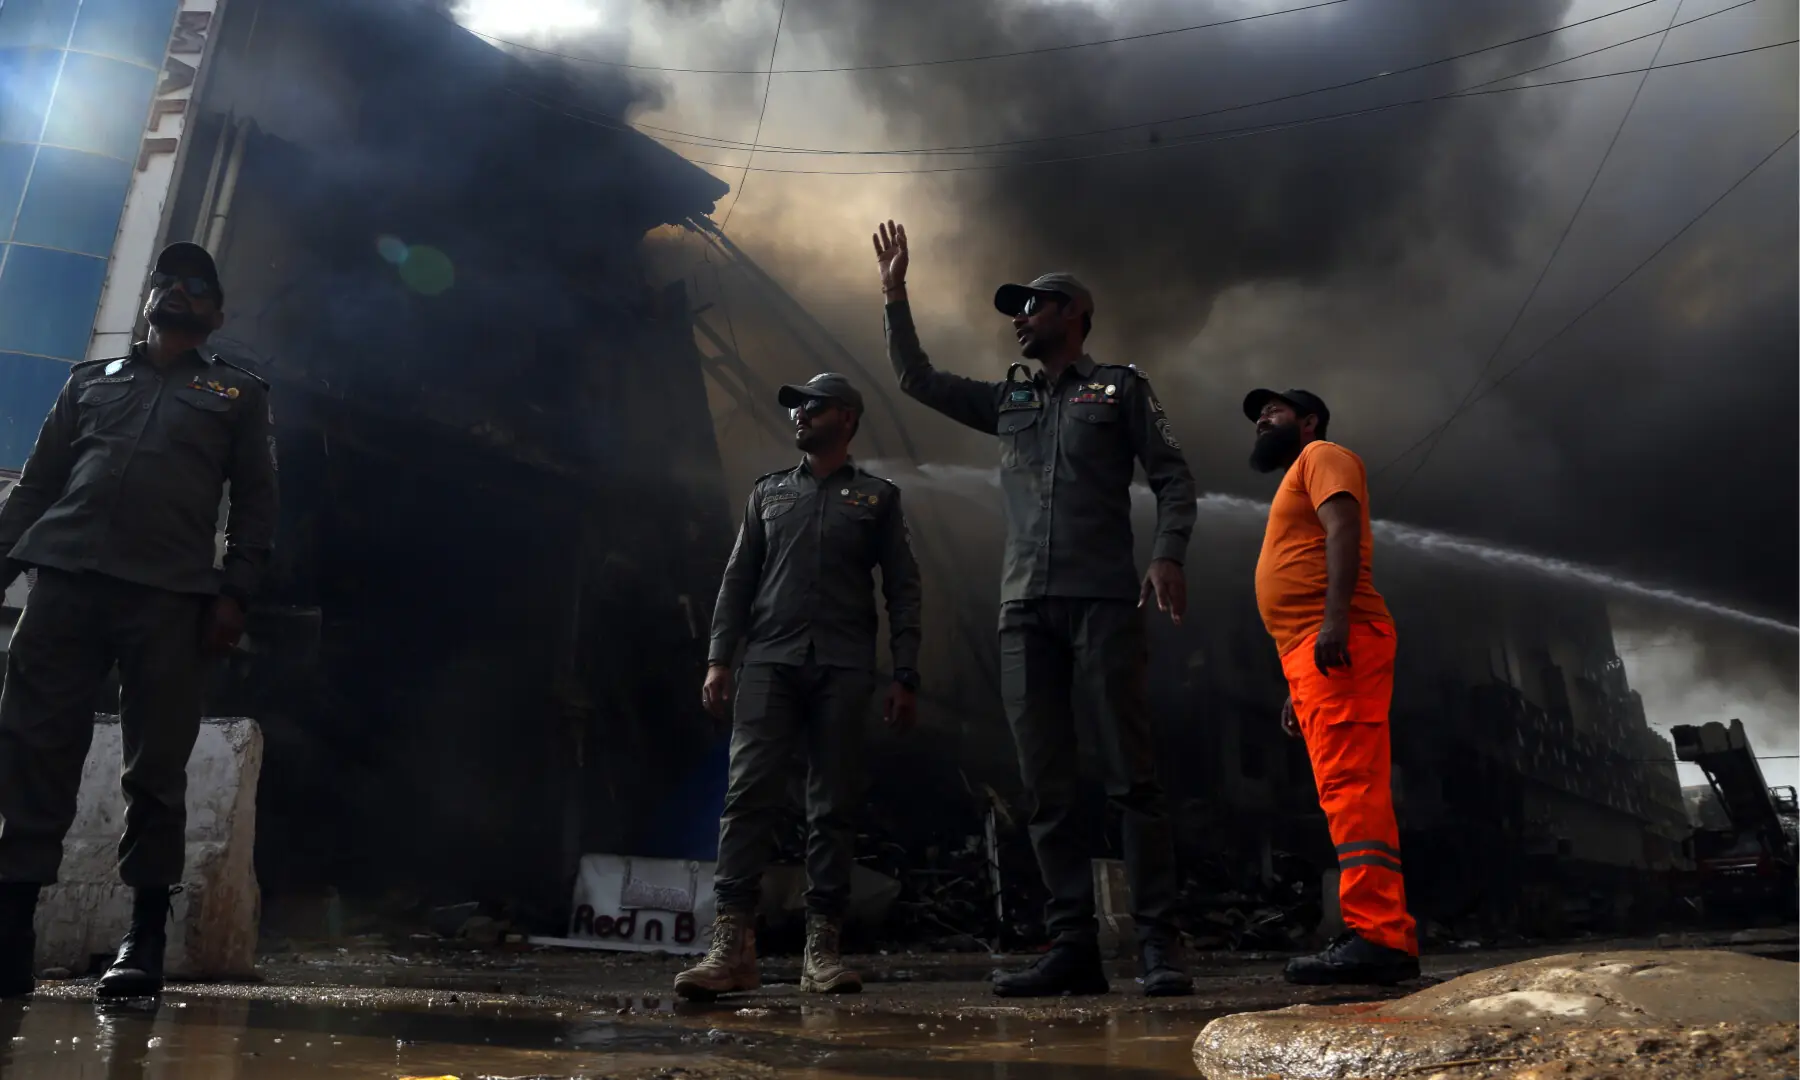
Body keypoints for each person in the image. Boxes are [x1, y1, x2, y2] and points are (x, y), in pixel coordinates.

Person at [873, 221, 1195, 998]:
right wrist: (894, 295)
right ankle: (1073, 947)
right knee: (1046, 783)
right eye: (1015, 308)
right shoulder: (1009, 398)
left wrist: (1166, 555)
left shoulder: (1119, 389)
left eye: (1034, 304)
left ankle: (1158, 945)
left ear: (1075, 313)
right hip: (1023, 610)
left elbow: (1174, 478)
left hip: (1102, 602)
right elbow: (917, 379)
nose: (1019, 317)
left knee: (1131, 776)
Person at [0, 242, 278, 998]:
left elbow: (256, 505)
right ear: (149, 298)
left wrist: (235, 593)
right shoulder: (89, 383)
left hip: (169, 596)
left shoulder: (238, 395)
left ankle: (144, 936)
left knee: (155, 766)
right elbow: (38, 486)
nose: (178, 290)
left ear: (216, 314)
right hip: (66, 584)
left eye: (197, 285)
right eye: (167, 280)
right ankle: (11, 928)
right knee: (32, 748)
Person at [677, 372, 923, 1001]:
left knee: (831, 807)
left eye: (812, 406)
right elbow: (737, 581)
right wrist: (719, 659)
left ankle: (823, 951)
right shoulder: (768, 494)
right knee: (747, 798)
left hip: (843, 667)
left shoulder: (878, 498)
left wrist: (905, 672)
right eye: (796, 408)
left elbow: (903, 590)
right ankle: (732, 948)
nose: (799, 415)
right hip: (769, 663)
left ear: (847, 417)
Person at [1244, 387, 1419, 985]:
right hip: (1312, 656)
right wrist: (1296, 683)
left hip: (1340, 639)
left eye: (1274, 410)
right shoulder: (1297, 475)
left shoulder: (1322, 455)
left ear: (1309, 420)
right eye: (1259, 415)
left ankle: (1380, 935)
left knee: (1352, 787)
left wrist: (1335, 619)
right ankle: (1376, 931)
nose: (1262, 419)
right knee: (1343, 790)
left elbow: (1342, 528)